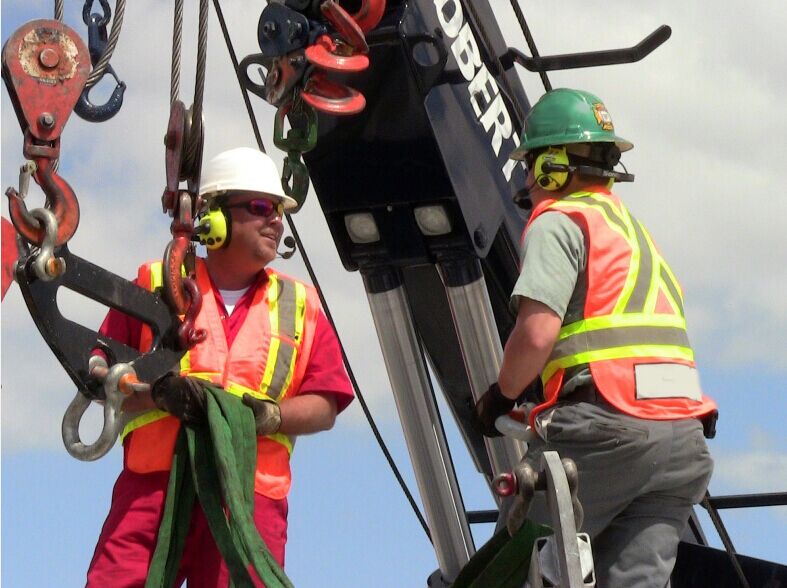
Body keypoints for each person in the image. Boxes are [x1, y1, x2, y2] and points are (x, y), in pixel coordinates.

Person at [474, 89, 718, 587]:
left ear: (551, 169)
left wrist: (501, 394)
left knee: (511, 570)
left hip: (606, 433)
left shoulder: (561, 221)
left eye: (530, 169)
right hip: (683, 446)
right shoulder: (632, 231)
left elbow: (537, 332)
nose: (527, 185)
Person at [86, 147, 354, 587]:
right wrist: (158, 394)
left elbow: (326, 404)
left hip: (248, 502)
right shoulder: (155, 284)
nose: (276, 222)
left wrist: (268, 417)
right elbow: (99, 376)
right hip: (154, 489)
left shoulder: (300, 306)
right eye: (262, 207)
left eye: (280, 212)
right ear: (215, 219)